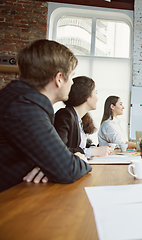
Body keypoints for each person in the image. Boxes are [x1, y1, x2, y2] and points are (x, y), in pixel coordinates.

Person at [0, 39, 92, 192]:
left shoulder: (19, 98)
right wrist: (78, 159)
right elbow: (67, 170)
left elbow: (55, 155)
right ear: (59, 78)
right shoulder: (24, 105)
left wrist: (49, 165)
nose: (72, 83)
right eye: (71, 77)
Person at [54, 76, 112, 159]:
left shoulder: (80, 118)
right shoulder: (65, 115)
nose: (97, 98)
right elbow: (59, 151)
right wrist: (93, 151)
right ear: (87, 96)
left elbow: (82, 144)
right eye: (96, 93)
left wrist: (94, 148)